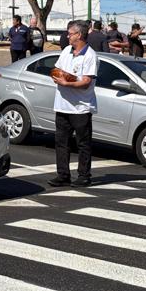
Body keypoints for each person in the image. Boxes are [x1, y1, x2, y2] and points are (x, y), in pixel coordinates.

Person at [50, 21, 97, 187]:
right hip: (62, 105)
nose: (67, 36)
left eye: (70, 33)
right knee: (61, 142)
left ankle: (84, 175)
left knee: (83, 143)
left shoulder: (90, 55)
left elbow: (86, 82)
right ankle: (63, 174)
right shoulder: (66, 51)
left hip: (80, 107)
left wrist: (67, 82)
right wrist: (58, 76)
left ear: (79, 35)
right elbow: (57, 70)